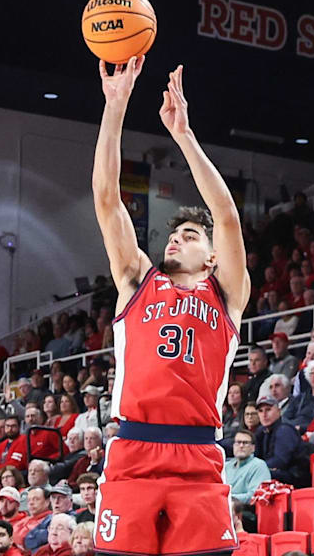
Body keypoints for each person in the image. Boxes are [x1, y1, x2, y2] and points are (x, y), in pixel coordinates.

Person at [91, 58, 248, 555]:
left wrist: (183, 135)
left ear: (213, 255)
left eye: (189, 235)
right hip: (133, 449)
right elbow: (107, 199)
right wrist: (115, 107)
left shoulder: (226, 293)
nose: (176, 240)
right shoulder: (137, 278)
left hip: (199, 453)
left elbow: (225, 214)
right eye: (173, 234)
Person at [253, 395, 306, 487]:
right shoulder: (261, 431)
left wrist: (255, 468)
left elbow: (280, 461)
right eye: (260, 411)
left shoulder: (285, 430)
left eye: (268, 410)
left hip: (293, 476)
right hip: (275, 471)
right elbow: (255, 456)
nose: (264, 415)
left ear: (279, 411)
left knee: (254, 473)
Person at [224, 429, 270, 504]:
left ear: (253, 448)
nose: (241, 446)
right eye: (238, 442)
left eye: (245, 443)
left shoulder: (259, 466)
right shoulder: (226, 466)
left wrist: (227, 498)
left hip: (245, 511)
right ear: (233, 446)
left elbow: (254, 496)